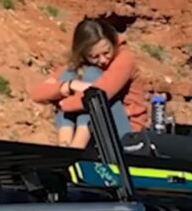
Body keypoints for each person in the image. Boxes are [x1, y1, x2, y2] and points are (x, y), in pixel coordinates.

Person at [30, 18, 148, 148]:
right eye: (94, 56)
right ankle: (65, 142)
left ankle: (77, 146)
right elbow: (37, 93)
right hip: (99, 125)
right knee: (71, 74)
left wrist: (63, 103)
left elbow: (99, 95)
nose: (103, 60)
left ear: (113, 43)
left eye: (106, 52)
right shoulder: (83, 64)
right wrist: (68, 86)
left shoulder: (124, 59)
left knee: (92, 83)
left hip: (127, 130)